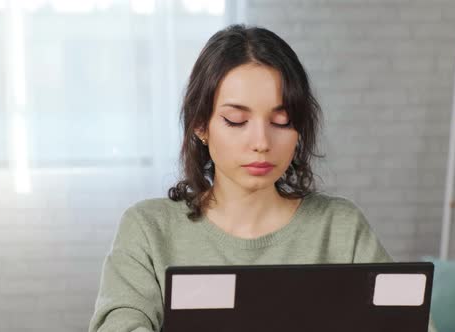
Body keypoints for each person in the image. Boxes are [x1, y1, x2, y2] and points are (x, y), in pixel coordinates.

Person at [89, 23, 437, 332]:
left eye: (282, 121)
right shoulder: (149, 228)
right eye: (236, 121)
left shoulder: (340, 227)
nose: (261, 143)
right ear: (200, 125)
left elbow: (408, 321)